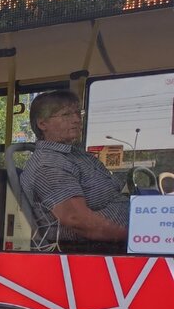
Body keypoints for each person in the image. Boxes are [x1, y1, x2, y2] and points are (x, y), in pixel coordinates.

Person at [20, 90, 128, 252]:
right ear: (42, 124)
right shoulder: (48, 164)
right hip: (95, 250)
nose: (77, 119)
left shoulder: (77, 155)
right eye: (66, 115)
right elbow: (77, 220)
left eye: (78, 113)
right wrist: (137, 236)